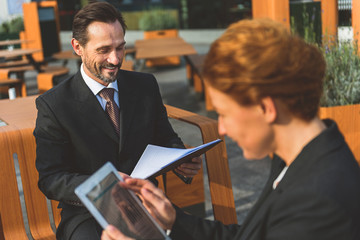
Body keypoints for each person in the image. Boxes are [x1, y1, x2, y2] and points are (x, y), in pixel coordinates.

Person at [101, 18, 360, 240]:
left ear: (266, 108)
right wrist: (172, 221)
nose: (221, 128)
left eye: (224, 113)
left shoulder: (318, 202)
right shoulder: (297, 160)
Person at [33, 2, 201, 240]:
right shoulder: (54, 105)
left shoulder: (145, 86)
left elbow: (165, 137)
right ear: (77, 47)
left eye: (120, 48)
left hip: (145, 204)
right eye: (103, 50)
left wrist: (180, 159)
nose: (115, 59)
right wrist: (104, 185)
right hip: (87, 214)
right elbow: (51, 179)